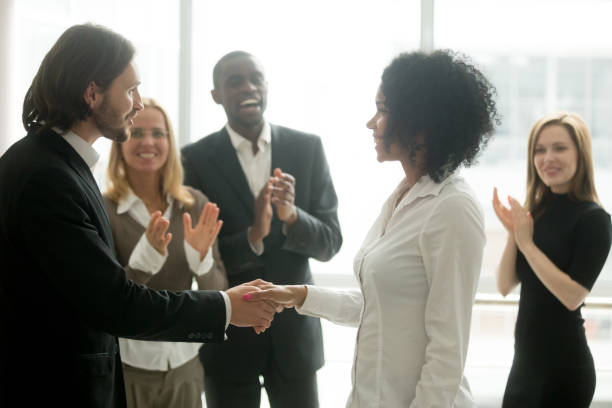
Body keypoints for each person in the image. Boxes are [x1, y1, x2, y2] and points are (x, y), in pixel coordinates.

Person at [0, 24, 277, 408]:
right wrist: (226, 307)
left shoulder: (56, 166)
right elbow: (114, 302)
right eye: (130, 90)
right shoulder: (49, 177)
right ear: (92, 93)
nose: (138, 103)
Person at [243, 49, 499, 407]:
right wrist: (299, 295)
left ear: (418, 122)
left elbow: (447, 351)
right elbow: (381, 305)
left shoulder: (452, 207)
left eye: (382, 109)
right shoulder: (402, 196)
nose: (371, 122)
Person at [181, 51, 342, 408]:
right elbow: (199, 253)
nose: (248, 87)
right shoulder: (192, 159)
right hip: (227, 338)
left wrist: (291, 216)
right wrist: (254, 233)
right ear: (216, 95)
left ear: (267, 85)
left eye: (256, 78)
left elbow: (331, 243)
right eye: (234, 81)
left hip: (295, 338)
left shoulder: (307, 148)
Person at [104, 97, 229, 408]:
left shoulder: (194, 204)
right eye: (136, 132)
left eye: (158, 133)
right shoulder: (104, 209)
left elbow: (218, 292)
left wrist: (201, 260)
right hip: (129, 368)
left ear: (170, 142)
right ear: (120, 141)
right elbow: (106, 301)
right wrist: (144, 262)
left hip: (185, 365)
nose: (148, 142)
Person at [493, 112, 612, 407]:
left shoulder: (595, 220)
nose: (548, 158)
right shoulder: (536, 214)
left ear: (580, 154)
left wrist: (527, 244)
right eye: (539, 149)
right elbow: (505, 285)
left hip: (565, 371)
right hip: (523, 368)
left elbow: (572, 296)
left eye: (559, 148)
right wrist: (513, 234)